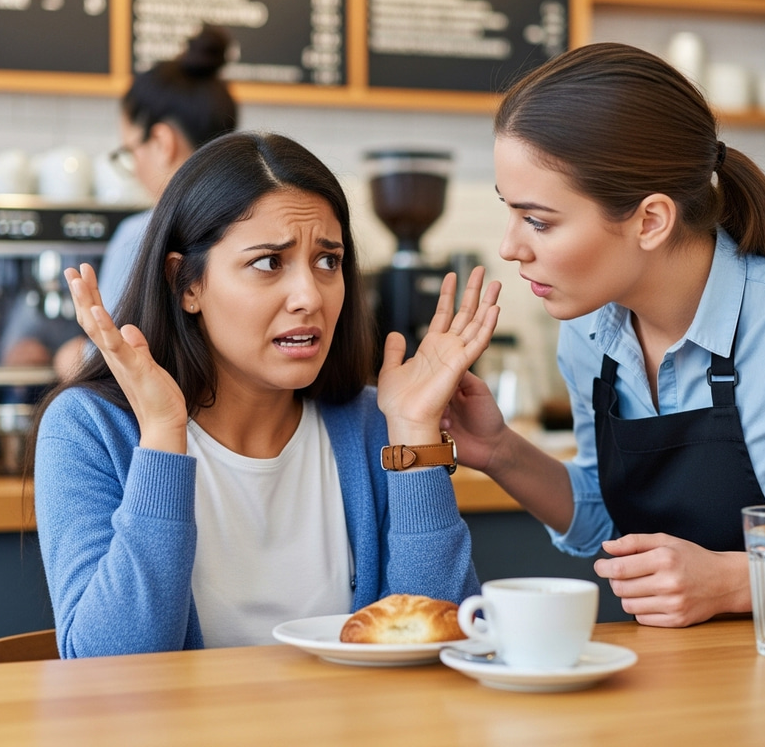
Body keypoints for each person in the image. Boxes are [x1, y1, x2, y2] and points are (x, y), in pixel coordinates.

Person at [31, 131, 500, 658]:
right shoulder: (89, 428)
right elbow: (108, 668)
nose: (309, 297)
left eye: (328, 262)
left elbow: (441, 648)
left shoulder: (376, 426)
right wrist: (163, 436)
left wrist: (415, 434)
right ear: (186, 283)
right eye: (268, 263)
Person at [429, 42, 765, 628]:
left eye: (538, 220)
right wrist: (500, 452)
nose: (511, 247)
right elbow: (606, 522)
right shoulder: (591, 331)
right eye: (510, 212)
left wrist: (731, 583)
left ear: (650, 220)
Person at [51, 23, 238, 378]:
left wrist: (68, 358)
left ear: (162, 142)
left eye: (130, 151)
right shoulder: (256, 221)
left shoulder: (142, 234)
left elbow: (109, 358)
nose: (134, 168)